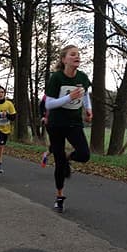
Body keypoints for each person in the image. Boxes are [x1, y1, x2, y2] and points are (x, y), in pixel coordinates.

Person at [45, 45, 92, 213]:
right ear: (64, 59)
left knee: (84, 154)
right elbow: (49, 103)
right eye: (72, 55)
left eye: (78, 54)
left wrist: (88, 109)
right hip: (56, 124)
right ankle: (59, 197)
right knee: (59, 164)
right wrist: (68, 97)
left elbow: (85, 94)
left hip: (74, 122)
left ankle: (67, 157)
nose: (76, 57)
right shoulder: (56, 78)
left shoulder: (83, 77)